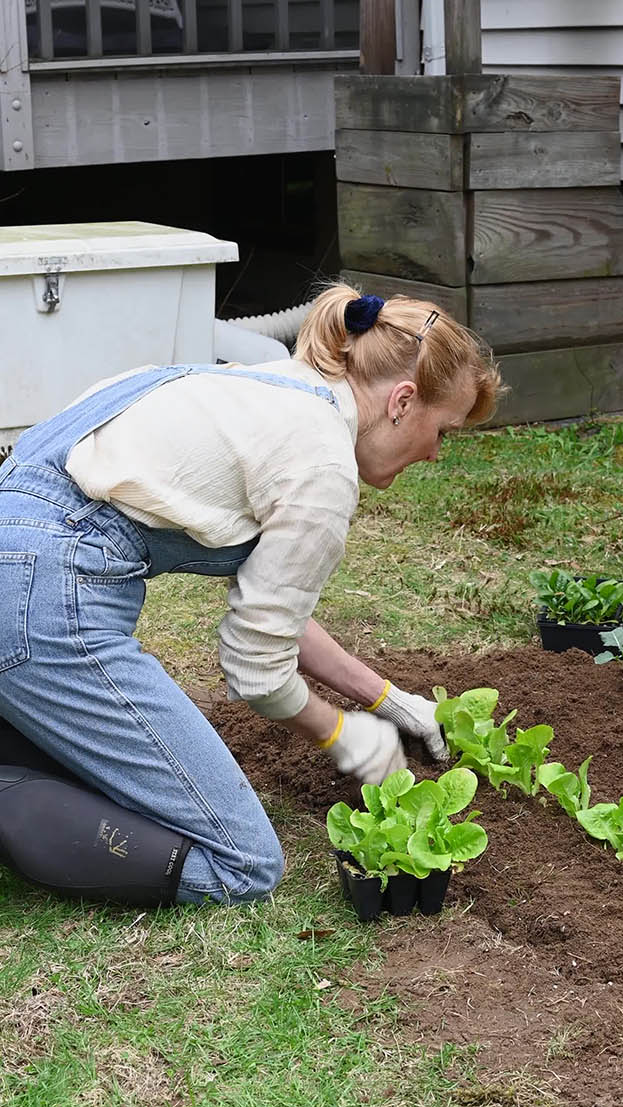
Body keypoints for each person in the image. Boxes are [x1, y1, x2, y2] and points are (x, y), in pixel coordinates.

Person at [0, 284, 500, 907]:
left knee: (70, 760)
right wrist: (341, 732)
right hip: (40, 610)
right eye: (442, 431)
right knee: (243, 865)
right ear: (402, 401)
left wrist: (389, 700)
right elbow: (256, 669)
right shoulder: (322, 465)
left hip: (17, 578)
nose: (432, 454)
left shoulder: (264, 389)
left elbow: (276, 610)